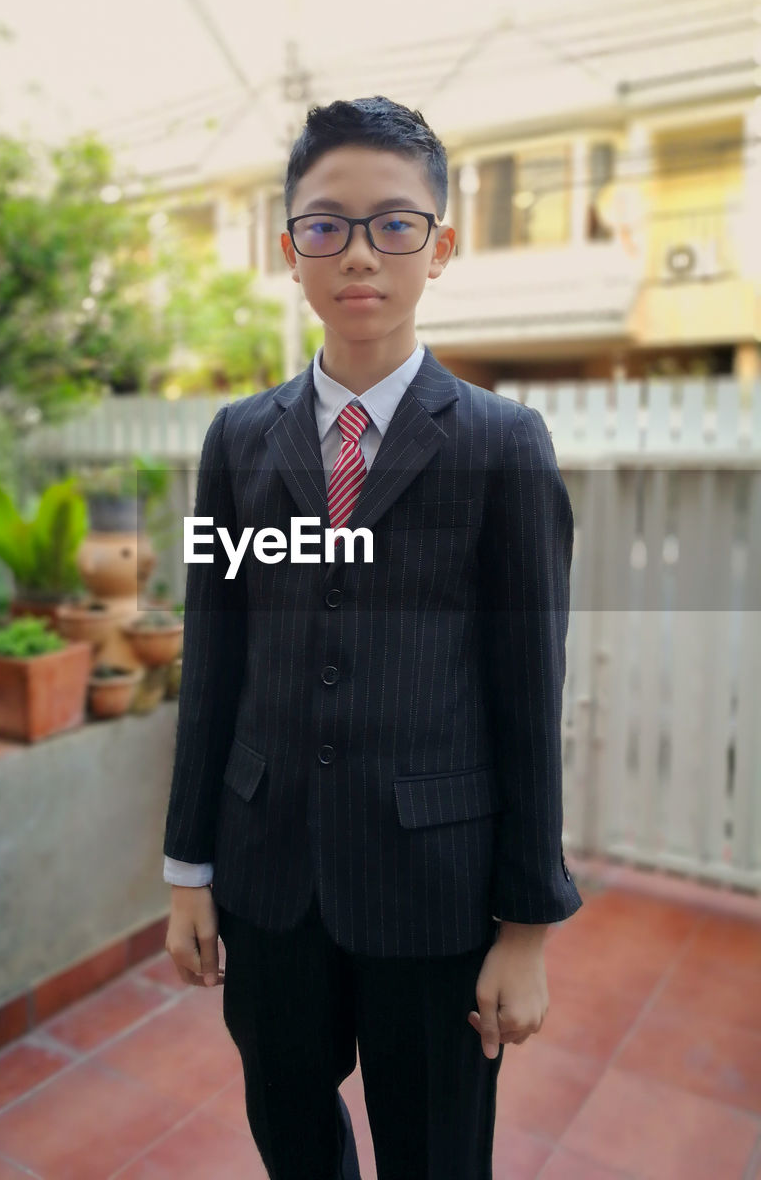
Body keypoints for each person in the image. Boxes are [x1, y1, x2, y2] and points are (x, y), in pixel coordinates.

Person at [162, 95, 583, 1180]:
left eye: (395, 223)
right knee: (292, 1137)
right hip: (269, 878)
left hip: (433, 888)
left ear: (441, 246)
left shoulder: (501, 445)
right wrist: (186, 869)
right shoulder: (237, 440)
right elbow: (212, 660)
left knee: (438, 1152)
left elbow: (528, 693)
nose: (360, 252)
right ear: (288, 245)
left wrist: (526, 927)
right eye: (327, 223)